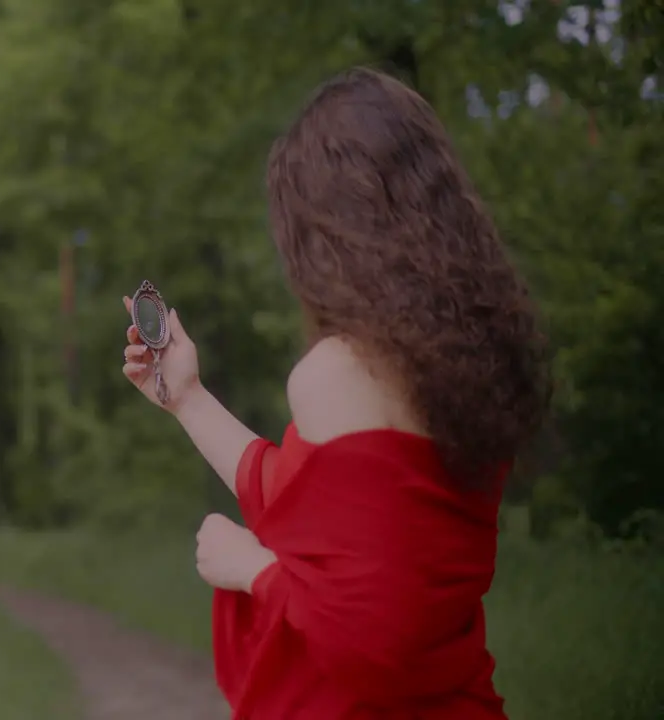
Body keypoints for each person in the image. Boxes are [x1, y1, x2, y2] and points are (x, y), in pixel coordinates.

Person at [120, 67, 549, 719]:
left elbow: (372, 642)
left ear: (323, 232)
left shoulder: (339, 371)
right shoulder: (470, 363)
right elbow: (300, 496)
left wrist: (250, 568)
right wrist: (187, 396)